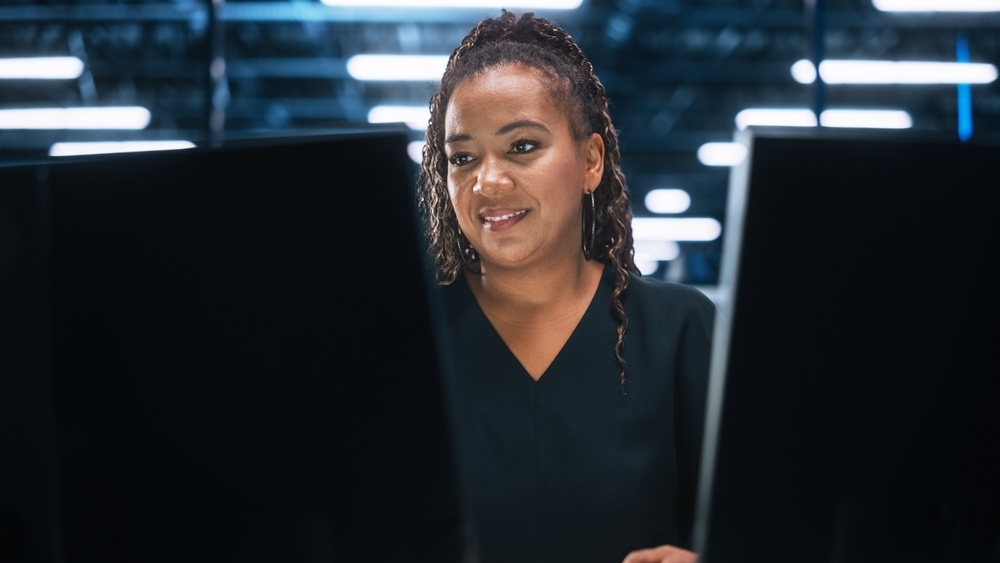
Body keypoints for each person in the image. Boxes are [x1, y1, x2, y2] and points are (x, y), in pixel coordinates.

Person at [416, 10, 717, 563]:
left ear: (591, 162)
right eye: (462, 157)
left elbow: (762, 531)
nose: (488, 180)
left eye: (522, 146)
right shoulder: (412, 343)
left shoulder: (681, 334)